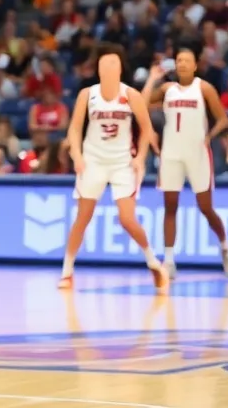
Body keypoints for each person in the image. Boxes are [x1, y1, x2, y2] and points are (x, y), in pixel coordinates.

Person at [59, 43, 167, 292]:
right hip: (94, 160)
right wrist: (76, 155)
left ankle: (153, 262)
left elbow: (147, 129)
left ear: (120, 68)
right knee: (82, 218)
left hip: (121, 162)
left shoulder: (131, 95)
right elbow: (74, 129)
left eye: (113, 63)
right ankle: (67, 272)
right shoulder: (87, 94)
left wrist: (140, 157)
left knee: (127, 219)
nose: (108, 67)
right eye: (104, 63)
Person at [142, 48, 228, 280]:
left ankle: (225, 246)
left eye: (187, 60)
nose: (182, 64)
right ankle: (169, 260)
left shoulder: (204, 88)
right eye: (179, 61)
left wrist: (209, 136)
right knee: (170, 206)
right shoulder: (167, 89)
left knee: (205, 207)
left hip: (197, 153)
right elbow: (141, 104)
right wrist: (152, 78)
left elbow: (223, 118)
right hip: (171, 153)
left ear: (195, 65)